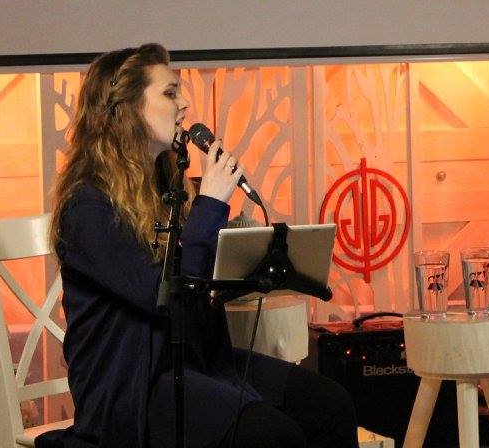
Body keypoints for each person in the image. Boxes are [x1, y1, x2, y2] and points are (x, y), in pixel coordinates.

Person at [38, 43, 358, 448]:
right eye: (170, 93)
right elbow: (161, 294)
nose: (184, 104)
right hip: (133, 385)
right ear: (127, 107)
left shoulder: (167, 188)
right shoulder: (88, 205)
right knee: (271, 436)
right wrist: (210, 204)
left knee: (329, 404)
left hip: (196, 362)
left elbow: (199, 285)